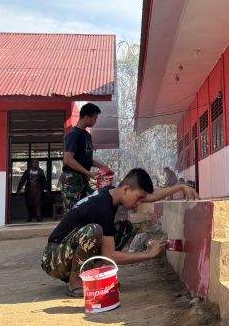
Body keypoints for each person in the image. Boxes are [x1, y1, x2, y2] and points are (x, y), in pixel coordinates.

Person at [41, 168, 199, 297]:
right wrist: (148, 254)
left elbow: (150, 196)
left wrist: (180, 187)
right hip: (53, 259)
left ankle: (96, 274)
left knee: (125, 228)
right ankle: (75, 283)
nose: (139, 203)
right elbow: (110, 255)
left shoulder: (112, 193)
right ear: (126, 189)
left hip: (67, 253)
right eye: (138, 198)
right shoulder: (101, 208)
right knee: (93, 231)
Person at [60, 103, 107, 212]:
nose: (96, 121)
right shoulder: (73, 135)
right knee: (72, 212)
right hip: (72, 180)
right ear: (86, 117)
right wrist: (89, 173)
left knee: (87, 209)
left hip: (83, 180)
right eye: (94, 118)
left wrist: (103, 167)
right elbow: (68, 159)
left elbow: (87, 159)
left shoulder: (87, 136)